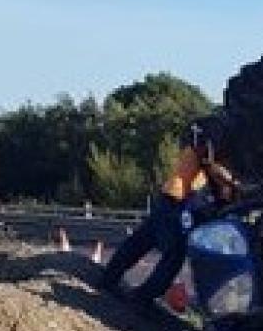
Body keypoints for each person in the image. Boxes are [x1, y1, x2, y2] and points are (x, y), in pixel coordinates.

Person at [97, 126, 237, 308]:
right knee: (173, 253)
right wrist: (232, 185)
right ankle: (142, 297)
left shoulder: (198, 151)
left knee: (141, 240)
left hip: (169, 198)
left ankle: (109, 279)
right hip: (177, 201)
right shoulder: (205, 154)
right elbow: (216, 175)